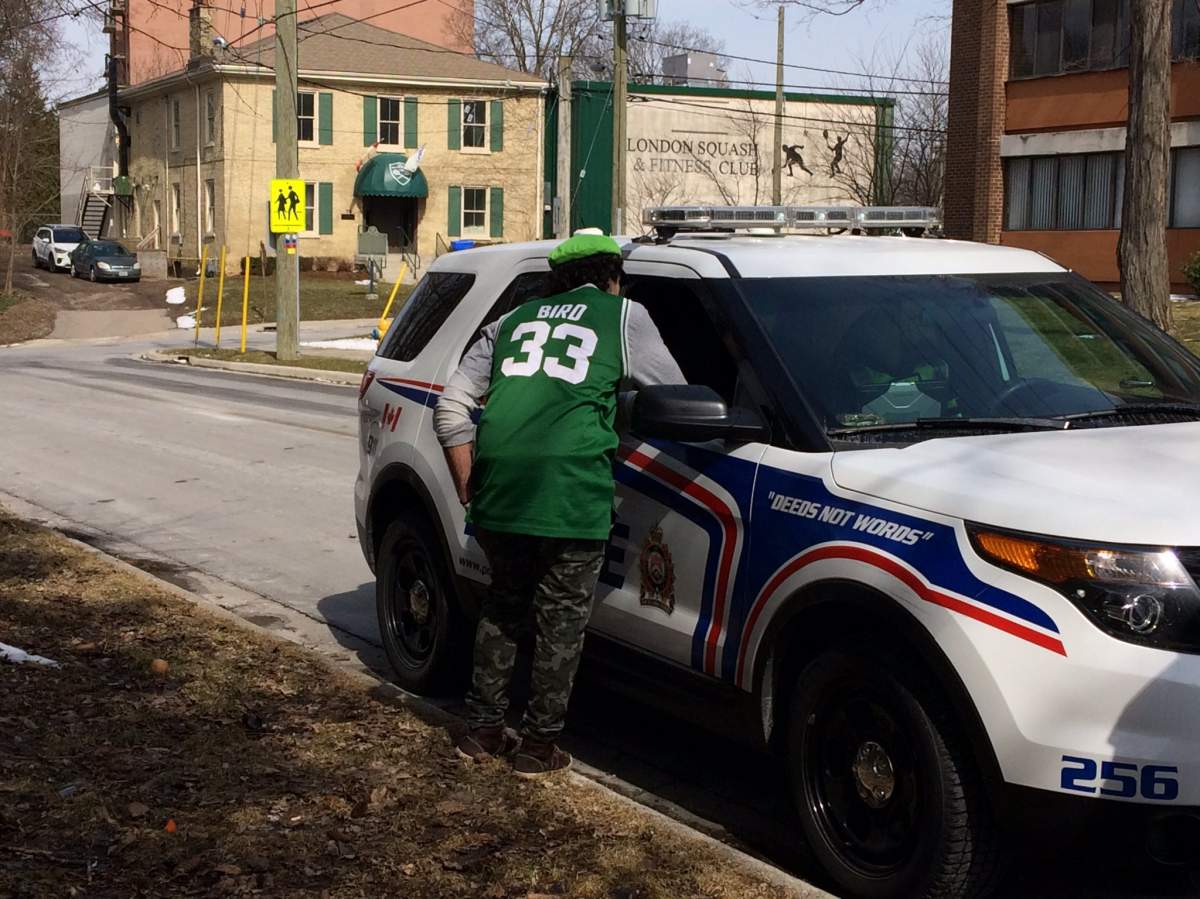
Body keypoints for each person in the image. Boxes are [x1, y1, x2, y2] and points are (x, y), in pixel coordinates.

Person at [433, 232, 685, 777]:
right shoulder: (623, 316)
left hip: (501, 489)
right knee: (560, 620)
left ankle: (480, 731)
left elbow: (450, 408)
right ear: (612, 276)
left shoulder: (510, 322)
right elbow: (674, 392)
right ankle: (538, 749)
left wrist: (467, 484)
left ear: (556, 280)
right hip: (570, 492)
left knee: (503, 605)